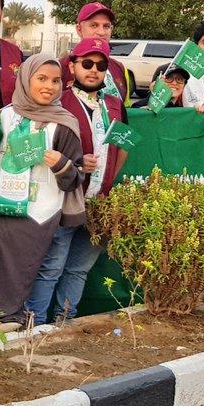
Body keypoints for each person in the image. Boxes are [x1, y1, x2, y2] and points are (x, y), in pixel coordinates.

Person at [0, 54, 85, 332]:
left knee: (33, 278)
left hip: (43, 216)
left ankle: (31, 331)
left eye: (56, 81)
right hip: (7, 212)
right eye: (41, 78)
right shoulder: (6, 117)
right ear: (25, 79)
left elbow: (76, 178)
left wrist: (61, 165)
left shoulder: (64, 123)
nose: (49, 86)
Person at [26, 39, 127, 323]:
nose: (93, 70)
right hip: (65, 200)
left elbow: (124, 146)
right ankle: (36, 324)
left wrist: (107, 180)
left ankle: (63, 321)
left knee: (79, 269)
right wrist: (78, 162)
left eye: (101, 65)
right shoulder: (59, 101)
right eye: (86, 63)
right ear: (72, 66)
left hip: (99, 202)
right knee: (51, 268)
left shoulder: (114, 104)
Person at [59, 3, 134, 104]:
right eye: (94, 25)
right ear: (79, 29)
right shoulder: (60, 68)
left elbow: (127, 110)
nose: (101, 32)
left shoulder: (119, 68)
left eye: (106, 26)